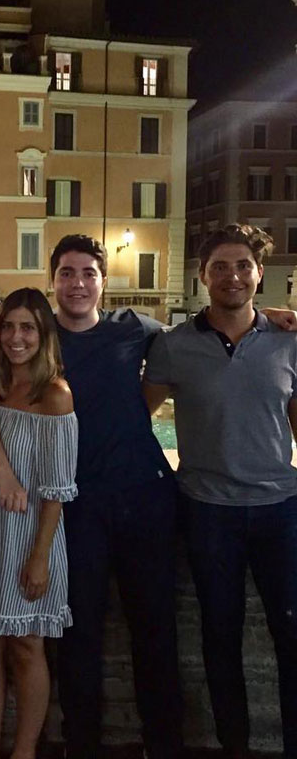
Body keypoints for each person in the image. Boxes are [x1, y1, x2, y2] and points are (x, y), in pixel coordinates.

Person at [0, 234, 183, 758]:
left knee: (156, 630)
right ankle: (80, 744)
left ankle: (166, 746)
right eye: (67, 272)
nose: (78, 283)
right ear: (54, 280)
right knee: (78, 638)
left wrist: (269, 315)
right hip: (76, 509)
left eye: (88, 272)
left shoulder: (137, 330)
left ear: (104, 282)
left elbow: (191, 344)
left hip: (140, 498)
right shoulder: (36, 344)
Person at [143, 224, 297, 759]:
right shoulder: (173, 346)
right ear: (202, 275)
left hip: (281, 509)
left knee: (292, 635)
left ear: (259, 274)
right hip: (208, 512)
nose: (232, 276)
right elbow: (138, 420)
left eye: (242, 266)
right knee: (219, 637)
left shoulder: (288, 341)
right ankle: (234, 746)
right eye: (220, 267)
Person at [0, 288, 77, 759]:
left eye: (27, 327)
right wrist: (4, 472)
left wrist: (41, 556)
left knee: (28, 645)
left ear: (44, 332)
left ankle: (24, 751)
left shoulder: (55, 394)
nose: (15, 337)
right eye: (7, 326)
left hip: (32, 534)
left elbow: (57, 488)